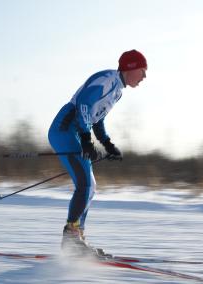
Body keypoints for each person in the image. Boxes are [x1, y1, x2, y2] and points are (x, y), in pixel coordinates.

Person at [48, 49, 147, 255]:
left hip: (76, 132)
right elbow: (83, 104)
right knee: (84, 184)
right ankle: (71, 238)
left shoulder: (117, 91)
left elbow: (97, 117)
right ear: (131, 68)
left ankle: (77, 237)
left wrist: (107, 143)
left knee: (90, 185)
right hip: (65, 130)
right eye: (142, 70)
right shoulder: (107, 80)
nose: (144, 76)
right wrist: (86, 139)